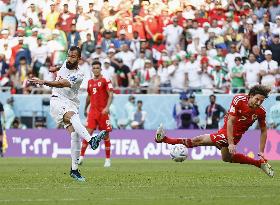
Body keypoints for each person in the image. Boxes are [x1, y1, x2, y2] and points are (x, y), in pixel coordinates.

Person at [155, 85, 274, 177]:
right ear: (251, 95)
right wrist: (231, 144)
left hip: (232, 135)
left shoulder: (261, 112)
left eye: (261, 101)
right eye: (257, 99)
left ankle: (164, 139)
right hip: (226, 130)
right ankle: (259, 164)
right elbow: (230, 122)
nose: (259, 103)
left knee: (198, 140)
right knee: (226, 158)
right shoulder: (239, 99)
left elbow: (263, 130)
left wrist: (261, 151)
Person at [29, 46, 107, 182]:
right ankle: (91, 140)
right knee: (74, 117)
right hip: (57, 101)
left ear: (79, 59)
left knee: (75, 135)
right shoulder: (66, 63)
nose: (69, 58)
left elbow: (62, 83)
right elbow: (63, 66)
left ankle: (74, 170)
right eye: (68, 55)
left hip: (70, 102)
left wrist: (44, 81)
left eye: (73, 56)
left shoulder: (79, 75)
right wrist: (56, 68)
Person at [78, 61, 114, 167]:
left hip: (103, 112)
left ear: (101, 69)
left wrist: (107, 107)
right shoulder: (89, 82)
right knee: (87, 133)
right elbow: (89, 96)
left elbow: (111, 94)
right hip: (93, 111)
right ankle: (81, 157)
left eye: (97, 68)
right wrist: (85, 108)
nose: (96, 69)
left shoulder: (106, 80)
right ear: (92, 69)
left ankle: (107, 159)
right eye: (94, 68)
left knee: (106, 135)